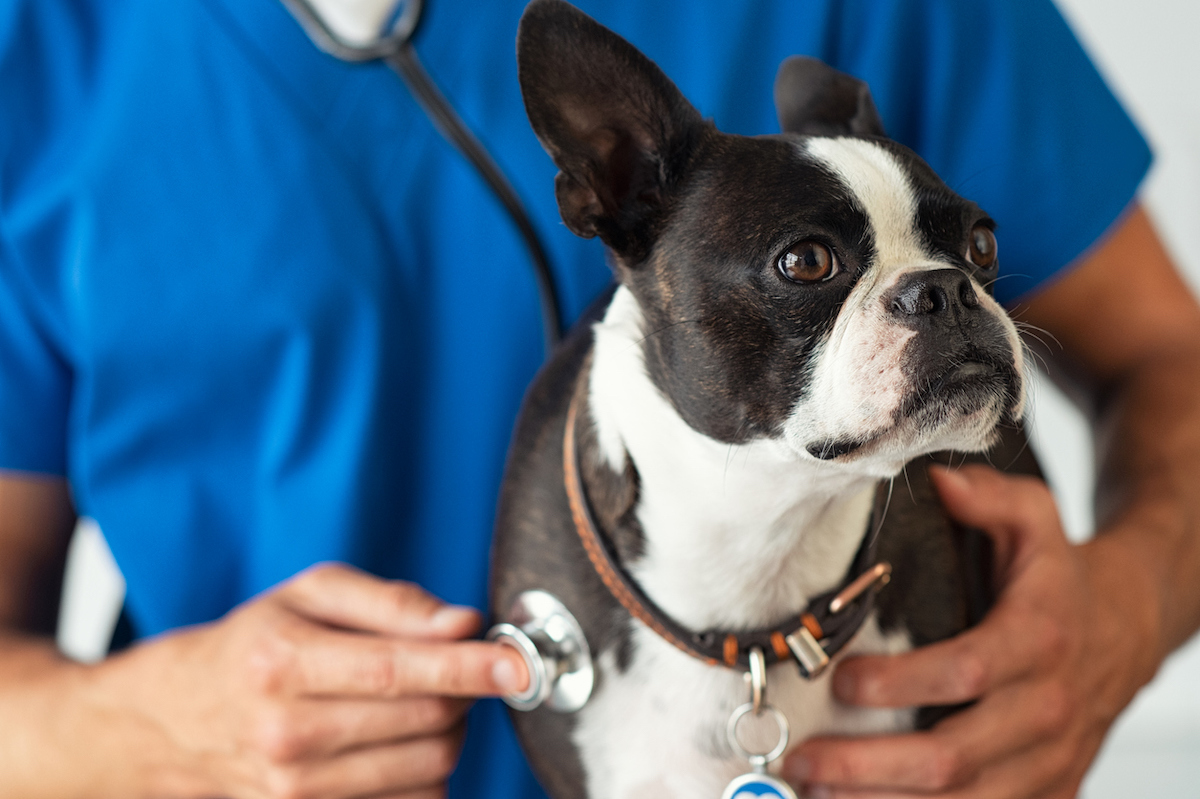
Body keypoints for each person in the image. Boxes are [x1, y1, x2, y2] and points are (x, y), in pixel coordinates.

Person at [0, 0, 1197, 797]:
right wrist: (129, 730)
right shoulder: (39, 53)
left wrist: (1131, 603)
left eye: (969, 254)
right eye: (810, 266)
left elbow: (1170, 354)